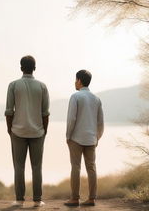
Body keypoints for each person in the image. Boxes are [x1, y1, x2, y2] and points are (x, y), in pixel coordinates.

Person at [5, 55, 50, 208]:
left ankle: (19, 199)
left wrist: (10, 130)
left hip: (17, 131)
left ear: (21, 68)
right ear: (34, 68)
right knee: (37, 166)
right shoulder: (42, 86)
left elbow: (9, 112)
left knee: (19, 166)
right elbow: (45, 113)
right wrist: (44, 131)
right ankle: (37, 200)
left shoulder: (13, 85)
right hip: (38, 132)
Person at [64, 70, 104, 207]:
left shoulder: (75, 97)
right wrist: (97, 137)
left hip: (76, 138)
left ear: (80, 80)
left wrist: (68, 136)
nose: (75, 82)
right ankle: (92, 198)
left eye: (76, 80)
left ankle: (75, 198)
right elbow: (100, 123)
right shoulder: (96, 99)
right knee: (91, 167)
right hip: (91, 139)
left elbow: (71, 119)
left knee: (76, 167)